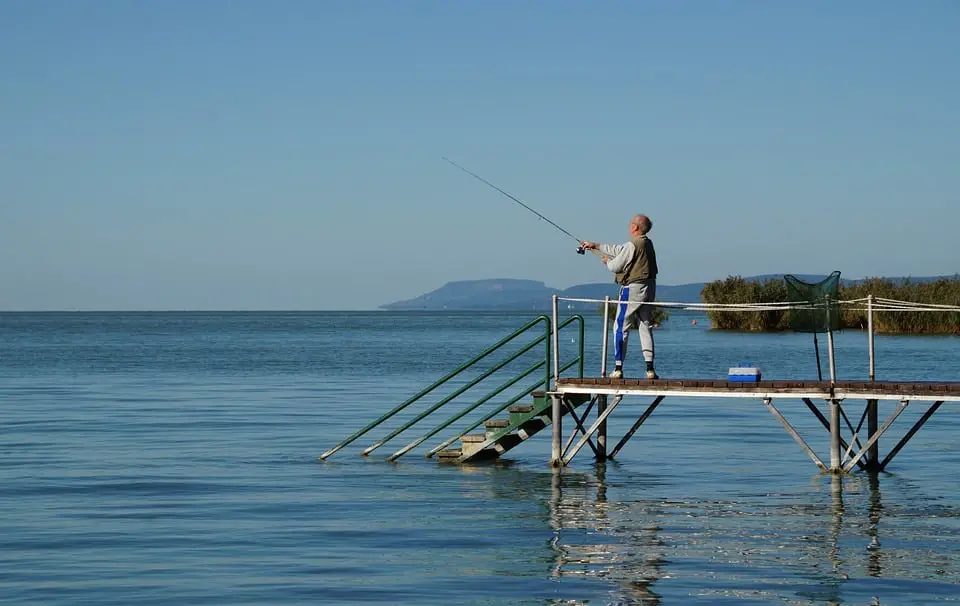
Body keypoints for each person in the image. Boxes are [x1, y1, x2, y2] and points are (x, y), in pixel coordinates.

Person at [580, 214, 659, 380]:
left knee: (621, 326)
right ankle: (650, 369)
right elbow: (619, 250)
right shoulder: (647, 243)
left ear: (635, 227)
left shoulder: (633, 244)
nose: (629, 225)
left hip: (632, 289)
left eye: (631, 223)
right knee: (645, 326)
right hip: (649, 288)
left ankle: (618, 367)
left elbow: (616, 265)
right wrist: (595, 245)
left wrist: (607, 262)